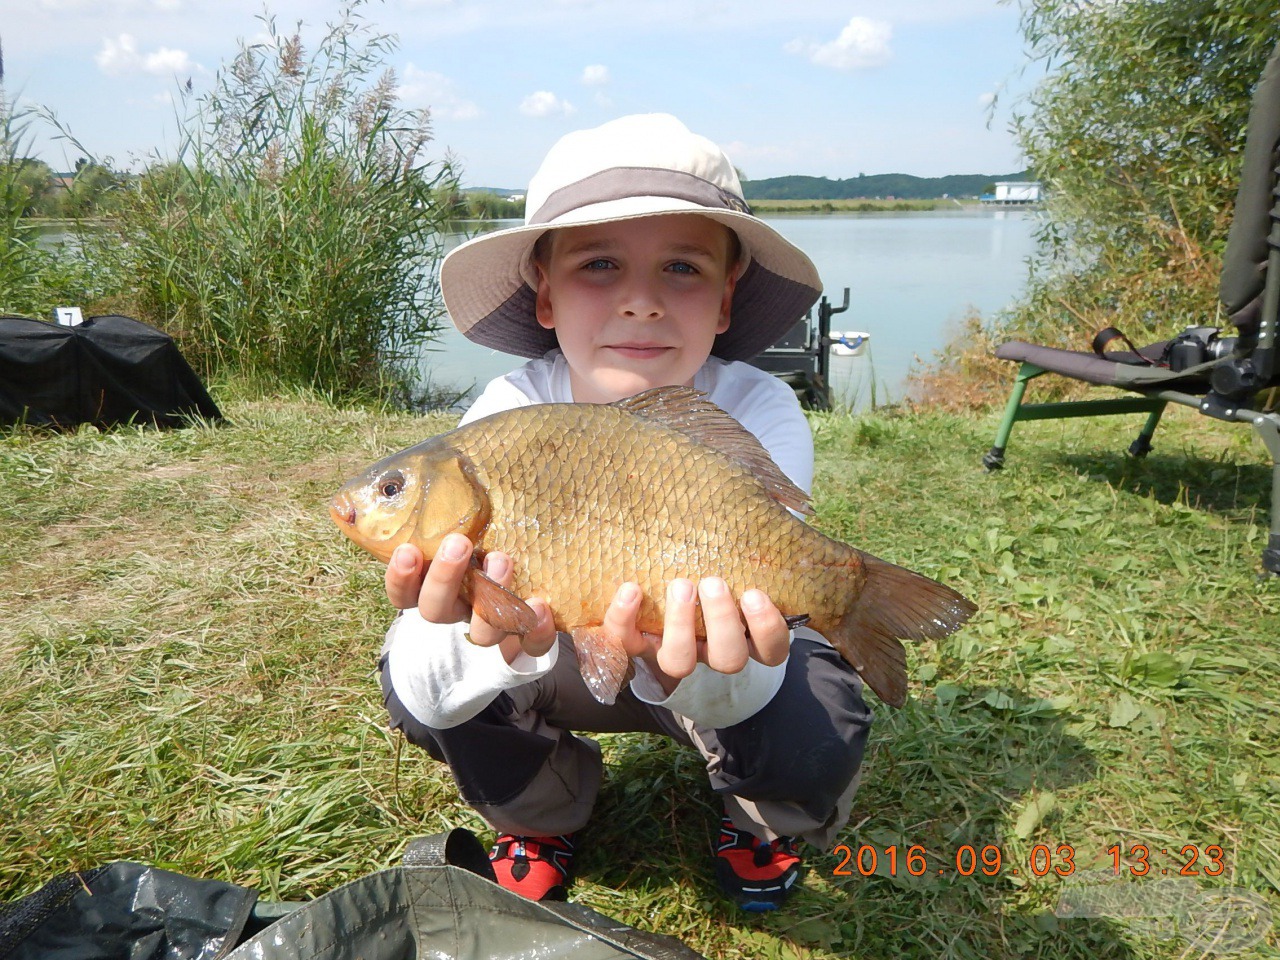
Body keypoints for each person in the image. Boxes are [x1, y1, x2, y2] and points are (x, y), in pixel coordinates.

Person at [378, 113, 872, 912]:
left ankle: (757, 818)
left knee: (815, 726)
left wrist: (713, 671)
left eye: (681, 268)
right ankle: (541, 813)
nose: (640, 302)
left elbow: (759, 594)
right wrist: (464, 637)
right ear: (543, 295)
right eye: (598, 265)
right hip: (556, 648)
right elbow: (437, 687)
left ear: (724, 302)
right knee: (419, 675)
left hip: (722, 646)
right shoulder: (507, 412)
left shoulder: (761, 408)